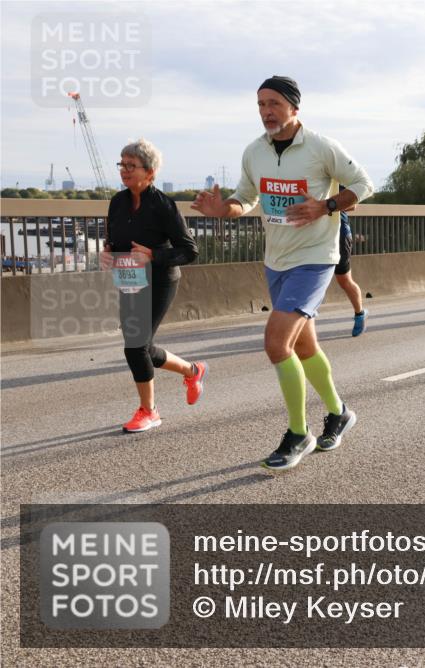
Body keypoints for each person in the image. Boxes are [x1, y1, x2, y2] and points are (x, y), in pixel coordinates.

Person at [192, 75, 373, 470]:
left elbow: (364, 184)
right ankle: (339, 412)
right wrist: (224, 210)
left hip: (314, 258)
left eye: (274, 103)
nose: (266, 111)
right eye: (260, 104)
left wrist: (325, 206)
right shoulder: (253, 152)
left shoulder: (321, 147)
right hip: (276, 260)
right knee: (304, 347)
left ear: (294, 107)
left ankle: (298, 433)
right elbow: (245, 198)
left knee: (276, 343)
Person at [102, 139, 205, 433]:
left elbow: (190, 250)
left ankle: (149, 411)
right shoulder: (117, 202)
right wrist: (108, 252)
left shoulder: (163, 205)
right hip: (129, 279)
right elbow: (115, 240)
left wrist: (153, 255)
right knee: (142, 346)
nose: (124, 170)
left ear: (150, 172)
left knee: (135, 347)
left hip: (160, 281)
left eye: (131, 165)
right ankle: (192, 370)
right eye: (122, 164)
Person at [331, 186, 368, 336]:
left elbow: (353, 205)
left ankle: (360, 314)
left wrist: (324, 205)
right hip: (316, 236)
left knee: (344, 280)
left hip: (339, 234)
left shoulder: (337, 178)